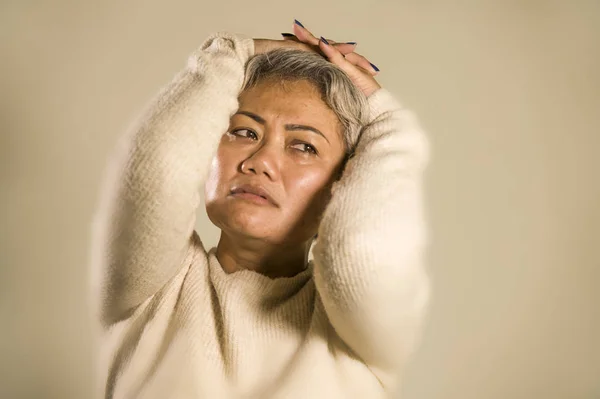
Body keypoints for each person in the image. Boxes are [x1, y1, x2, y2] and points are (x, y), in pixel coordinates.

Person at [90, 19, 431, 399]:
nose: (261, 161)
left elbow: (361, 254)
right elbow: (158, 172)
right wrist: (229, 52)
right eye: (244, 132)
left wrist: (388, 119)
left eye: (303, 146)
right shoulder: (148, 291)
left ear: (347, 184)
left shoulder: (364, 332)